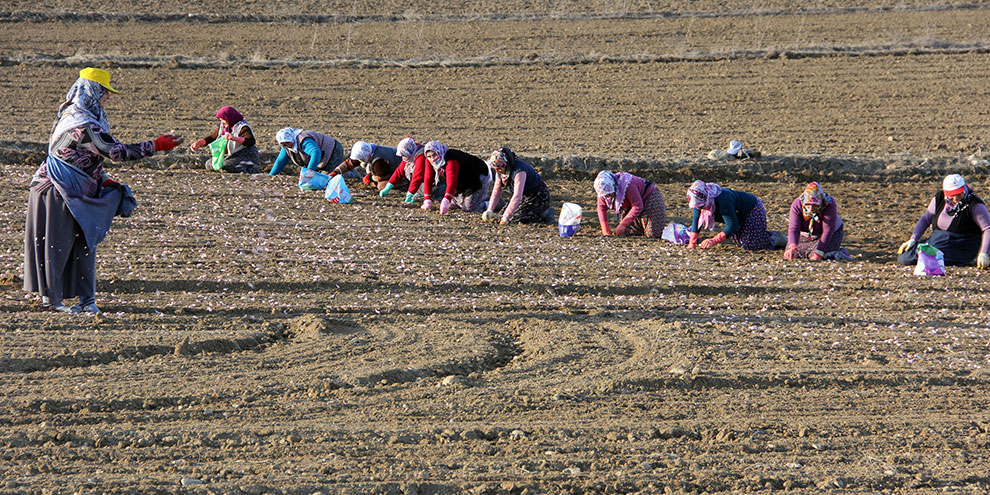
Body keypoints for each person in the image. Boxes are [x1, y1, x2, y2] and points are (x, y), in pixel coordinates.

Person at [24, 68, 183, 314]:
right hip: (57, 189)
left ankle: (87, 301)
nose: (107, 97)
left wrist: (104, 179)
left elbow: (87, 158)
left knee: (85, 241)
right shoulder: (81, 124)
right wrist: (155, 145)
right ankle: (52, 301)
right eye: (104, 92)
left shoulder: (82, 118)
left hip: (78, 190)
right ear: (92, 91)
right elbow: (114, 151)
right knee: (57, 243)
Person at [896, 174, 990, 268]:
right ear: (945, 193)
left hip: (961, 244)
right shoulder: (939, 199)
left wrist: (984, 253)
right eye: (951, 195)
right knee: (905, 256)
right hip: (938, 240)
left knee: (929, 257)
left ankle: (970, 258)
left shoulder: (974, 205)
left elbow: (987, 229)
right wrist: (913, 239)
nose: (956, 199)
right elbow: (925, 219)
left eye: (959, 194)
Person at [686, 180, 784, 250]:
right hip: (737, 213)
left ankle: (778, 238)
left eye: (701, 206)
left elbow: (732, 225)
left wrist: (713, 240)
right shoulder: (701, 202)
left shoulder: (722, 200)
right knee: (740, 242)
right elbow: (696, 221)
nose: (699, 208)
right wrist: (692, 242)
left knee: (752, 245)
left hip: (752, 209)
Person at [482, 147, 552, 225]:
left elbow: (517, 197)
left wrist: (505, 219)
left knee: (517, 219)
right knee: (500, 217)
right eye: (495, 169)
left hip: (537, 195)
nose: (497, 171)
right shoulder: (500, 172)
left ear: (506, 164)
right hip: (524, 195)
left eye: (499, 168)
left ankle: (545, 213)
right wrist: (490, 209)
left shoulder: (519, 171)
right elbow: (496, 191)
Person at [784, 182, 852, 261]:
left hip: (830, 233)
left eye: (815, 205)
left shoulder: (828, 204)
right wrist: (793, 246)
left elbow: (828, 230)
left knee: (822, 256)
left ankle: (838, 252)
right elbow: (794, 228)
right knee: (793, 253)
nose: (811, 208)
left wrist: (819, 252)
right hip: (807, 234)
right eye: (808, 204)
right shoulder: (797, 205)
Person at [421, 141, 490, 214]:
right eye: (429, 156)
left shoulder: (452, 160)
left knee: (469, 208)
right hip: (460, 180)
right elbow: (428, 178)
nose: (432, 159)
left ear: (439, 151)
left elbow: (452, 181)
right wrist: (427, 199)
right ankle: (481, 197)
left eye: (434, 155)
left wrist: (446, 199)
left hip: (475, 177)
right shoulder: (429, 161)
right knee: (455, 205)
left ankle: (492, 202)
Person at [593, 170, 666, 237]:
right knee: (626, 233)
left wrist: (622, 224)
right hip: (629, 205)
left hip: (649, 198)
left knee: (653, 235)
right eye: (605, 195)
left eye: (609, 194)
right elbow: (601, 209)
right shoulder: (602, 192)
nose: (607, 197)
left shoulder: (627, 184)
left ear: (614, 187)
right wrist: (606, 231)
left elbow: (637, 206)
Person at [189, 106, 260, 173]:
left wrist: (234, 138)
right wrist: (198, 143)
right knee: (210, 164)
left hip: (245, 155)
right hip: (232, 156)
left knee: (227, 166)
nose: (222, 122)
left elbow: (251, 141)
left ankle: (251, 168)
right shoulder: (223, 128)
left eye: (224, 120)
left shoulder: (242, 127)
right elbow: (211, 138)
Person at [268, 127, 344, 177]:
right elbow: (280, 161)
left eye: (288, 143)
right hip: (321, 156)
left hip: (332, 150)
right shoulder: (287, 147)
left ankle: (350, 172)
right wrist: (271, 175)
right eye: (283, 144)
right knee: (319, 175)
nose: (286, 146)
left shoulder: (303, 141)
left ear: (291, 139)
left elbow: (315, 152)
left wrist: (309, 172)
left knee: (329, 176)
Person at [388, 137, 444, 202]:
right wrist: (389, 185)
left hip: (437, 183)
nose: (403, 157)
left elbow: (418, 176)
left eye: (404, 154)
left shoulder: (421, 156)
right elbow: (399, 170)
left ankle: (436, 194)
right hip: (425, 182)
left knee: (422, 187)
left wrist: (410, 193)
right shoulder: (409, 156)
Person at [328, 141, 401, 190]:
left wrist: (371, 180)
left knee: (381, 186)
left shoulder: (378, 161)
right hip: (393, 168)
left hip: (403, 171)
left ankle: (405, 186)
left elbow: (383, 177)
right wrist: (336, 172)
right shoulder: (370, 151)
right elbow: (350, 163)